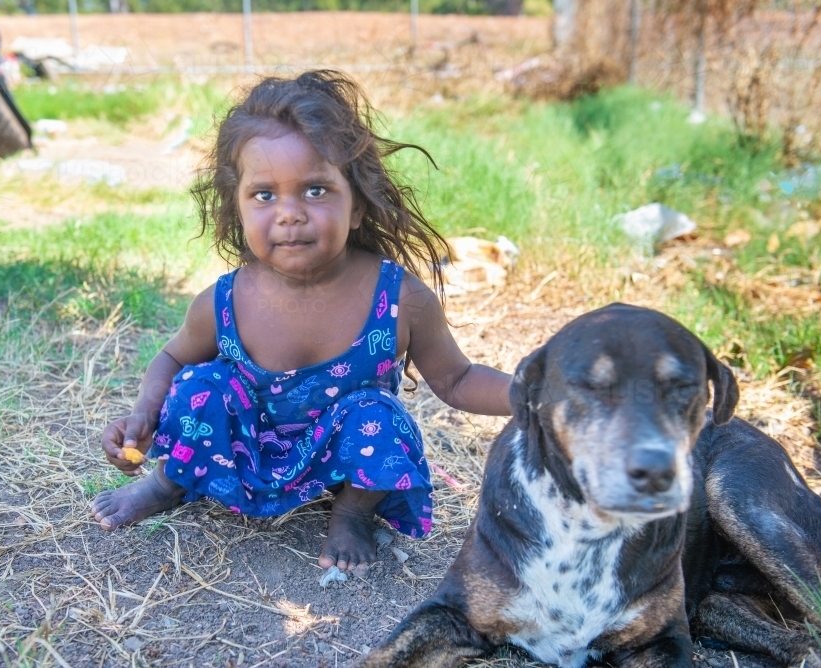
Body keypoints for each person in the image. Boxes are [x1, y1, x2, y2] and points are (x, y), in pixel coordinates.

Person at [90, 70, 511, 576]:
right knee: (201, 384)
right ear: (237, 207)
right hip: (243, 445)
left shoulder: (397, 298)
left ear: (356, 204)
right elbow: (173, 357)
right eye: (264, 195)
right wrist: (144, 415)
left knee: (379, 413)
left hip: (339, 462)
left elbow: (457, 380)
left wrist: (535, 393)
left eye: (315, 190)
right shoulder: (224, 301)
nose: (290, 214)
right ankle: (168, 482)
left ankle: (353, 513)